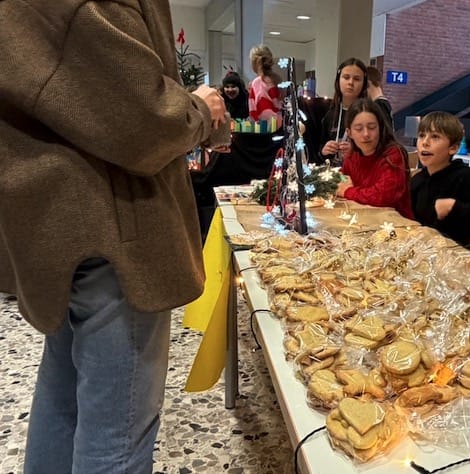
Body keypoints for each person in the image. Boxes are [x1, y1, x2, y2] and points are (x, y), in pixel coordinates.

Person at [0, 2, 227, 473]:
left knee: (64, 400)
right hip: (115, 227)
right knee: (117, 434)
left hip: (55, 219)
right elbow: (141, 118)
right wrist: (200, 110)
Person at [410, 111, 470, 247]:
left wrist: (455, 208)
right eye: (422, 135)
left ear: (453, 148)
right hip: (423, 250)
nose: (425, 142)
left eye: (435, 137)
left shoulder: (465, 177)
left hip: (458, 254)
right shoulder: (418, 179)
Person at [336, 98, 413, 219]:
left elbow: (383, 196)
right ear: (349, 133)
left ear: (380, 128)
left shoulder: (393, 154)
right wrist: (340, 181)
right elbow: (341, 179)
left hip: (395, 223)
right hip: (363, 219)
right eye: (359, 129)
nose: (366, 134)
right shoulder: (352, 155)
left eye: (372, 127)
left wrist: (347, 191)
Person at [319, 57, 369, 165]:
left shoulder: (370, 115)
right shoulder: (330, 114)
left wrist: (355, 153)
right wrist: (324, 150)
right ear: (338, 80)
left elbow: (379, 152)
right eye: (346, 77)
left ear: (364, 84)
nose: (350, 82)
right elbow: (320, 151)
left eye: (357, 79)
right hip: (333, 172)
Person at [248, 44, 282, 127]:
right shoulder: (277, 79)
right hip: (280, 123)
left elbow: (256, 108)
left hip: (265, 126)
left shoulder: (257, 83)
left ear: (254, 63)